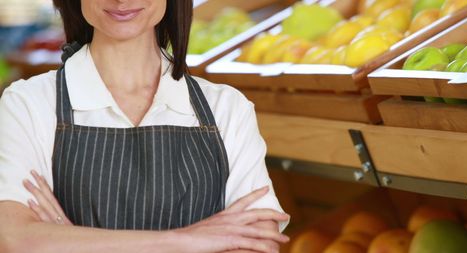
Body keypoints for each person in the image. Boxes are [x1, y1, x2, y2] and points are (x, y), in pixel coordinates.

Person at [0, 1, 289, 252]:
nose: (122, 0)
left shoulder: (227, 108)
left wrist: (69, 240)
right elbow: (12, 240)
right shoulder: (28, 103)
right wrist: (186, 241)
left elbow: (259, 242)